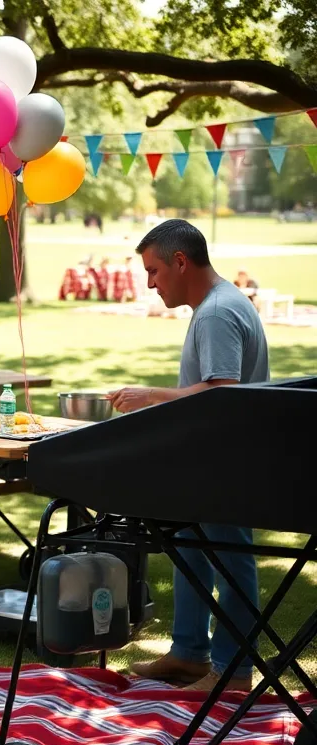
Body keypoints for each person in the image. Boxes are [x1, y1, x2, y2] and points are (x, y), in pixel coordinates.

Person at [111, 219, 269, 693]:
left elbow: (223, 393)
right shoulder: (214, 305)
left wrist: (152, 396)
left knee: (229, 560)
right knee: (189, 549)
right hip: (207, 459)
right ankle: (188, 654)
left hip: (225, 464)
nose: (150, 283)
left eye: (154, 271)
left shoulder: (218, 312)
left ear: (181, 262)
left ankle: (234, 672)